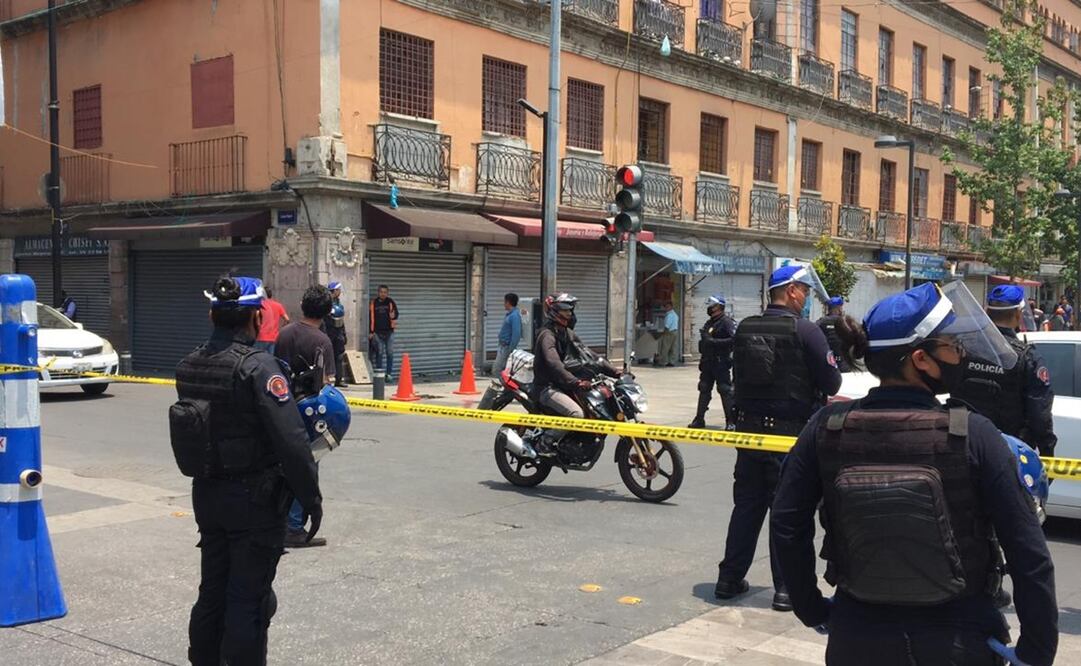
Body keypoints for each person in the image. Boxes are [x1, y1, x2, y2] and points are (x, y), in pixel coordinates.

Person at [771, 281, 1058, 666]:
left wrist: (813, 610)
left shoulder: (826, 428)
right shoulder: (975, 435)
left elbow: (787, 524)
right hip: (958, 641)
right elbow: (1028, 551)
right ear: (920, 359)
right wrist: (1036, 651)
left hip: (858, 638)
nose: (961, 354)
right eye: (951, 347)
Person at [170, 276, 322, 666]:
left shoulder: (189, 365)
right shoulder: (258, 368)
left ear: (211, 315)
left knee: (213, 590)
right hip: (253, 502)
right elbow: (292, 442)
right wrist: (311, 500)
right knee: (247, 600)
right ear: (257, 317)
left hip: (207, 495)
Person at [716, 264, 842, 612]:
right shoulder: (806, 331)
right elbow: (832, 384)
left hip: (750, 433)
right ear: (790, 291)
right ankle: (785, 588)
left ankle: (729, 578)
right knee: (788, 513)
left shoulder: (744, 328)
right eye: (803, 289)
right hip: (790, 439)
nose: (805, 296)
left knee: (746, 507)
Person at [953, 285, 1056, 457]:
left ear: (987, 312)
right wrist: (1047, 452)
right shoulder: (1026, 357)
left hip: (962, 446)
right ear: (1018, 314)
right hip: (1006, 451)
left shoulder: (962, 350)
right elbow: (1039, 413)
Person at [275, 285, 337, 548]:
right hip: (309, 414)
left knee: (282, 467)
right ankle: (294, 526)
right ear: (327, 311)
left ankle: (279, 522)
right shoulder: (322, 340)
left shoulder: (284, 334)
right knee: (307, 468)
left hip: (282, 408)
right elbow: (327, 382)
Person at [532, 293, 620, 446]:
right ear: (554, 311)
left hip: (564, 386)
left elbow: (590, 355)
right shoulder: (547, 335)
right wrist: (575, 381)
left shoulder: (567, 333)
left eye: (571, 310)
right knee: (577, 414)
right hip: (547, 387)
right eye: (565, 309)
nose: (569, 313)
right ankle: (546, 441)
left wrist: (615, 371)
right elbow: (554, 364)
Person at [688, 295, 736, 430]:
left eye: (712, 306)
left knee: (725, 390)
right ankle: (699, 419)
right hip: (708, 362)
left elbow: (734, 340)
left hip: (721, 362)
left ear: (719, 307)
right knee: (703, 389)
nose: (709, 309)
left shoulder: (726, 322)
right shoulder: (709, 323)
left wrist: (715, 342)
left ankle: (730, 421)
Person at [369, 284, 398, 381]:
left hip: (389, 332)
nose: (383, 294)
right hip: (377, 332)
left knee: (390, 353)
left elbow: (396, 314)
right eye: (381, 292)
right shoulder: (374, 303)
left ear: (387, 293)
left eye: (385, 292)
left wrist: (393, 316)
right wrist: (371, 332)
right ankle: (379, 374)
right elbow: (370, 318)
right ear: (378, 292)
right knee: (379, 353)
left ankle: (389, 374)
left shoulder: (390, 302)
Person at [817, 296, 852, 373]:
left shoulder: (821, 322)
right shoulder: (845, 322)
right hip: (843, 362)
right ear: (838, 308)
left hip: (827, 362)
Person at [323, 281, 348, 388]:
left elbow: (341, 321)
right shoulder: (326, 303)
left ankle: (339, 379)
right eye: (338, 290)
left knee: (339, 356)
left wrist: (344, 334)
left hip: (338, 333)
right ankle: (325, 378)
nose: (340, 292)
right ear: (335, 291)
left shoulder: (338, 303)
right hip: (328, 332)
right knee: (325, 356)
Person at [493, 292, 522, 376]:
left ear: (508, 302)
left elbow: (516, 334)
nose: (504, 304)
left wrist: (511, 349)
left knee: (498, 370)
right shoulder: (510, 315)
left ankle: (501, 387)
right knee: (501, 370)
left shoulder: (514, 316)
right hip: (503, 346)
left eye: (505, 302)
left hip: (506, 347)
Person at [254, 288, 290, 354]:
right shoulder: (278, 305)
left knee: (259, 360)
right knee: (272, 360)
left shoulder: (260, 305)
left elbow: (257, 320)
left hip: (261, 337)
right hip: (274, 338)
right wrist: (280, 329)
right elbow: (287, 319)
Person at [655, 301, 679, 367]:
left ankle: (663, 361)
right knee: (672, 348)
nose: (666, 308)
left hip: (669, 332)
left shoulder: (669, 315)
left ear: (671, 306)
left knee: (665, 347)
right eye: (665, 307)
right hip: (675, 332)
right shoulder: (675, 314)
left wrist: (663, 333)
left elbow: (667, 326)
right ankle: (671, 361)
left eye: (667, 306)